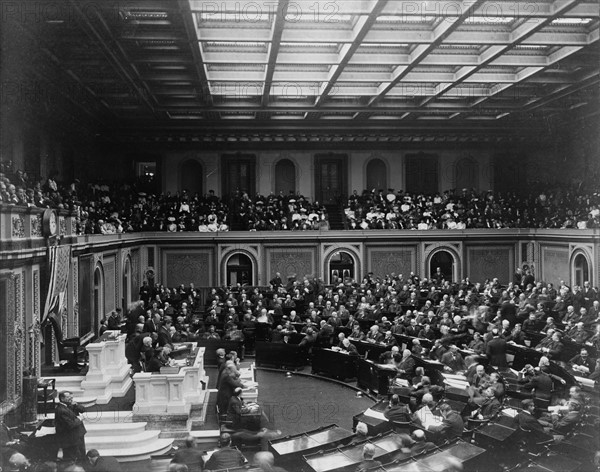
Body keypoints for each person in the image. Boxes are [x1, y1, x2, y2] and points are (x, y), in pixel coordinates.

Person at [55, 391, 87, 462]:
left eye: (71, 397)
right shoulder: (61, 410)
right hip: (70, 438)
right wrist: (80, 419)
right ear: (62, 399)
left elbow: (83, 410)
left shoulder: (70, 405)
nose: (71, 399)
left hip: (78, 434)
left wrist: (76, 405)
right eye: (68, 397)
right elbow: (70, 424)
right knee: (72, 457)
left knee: (81, 454)